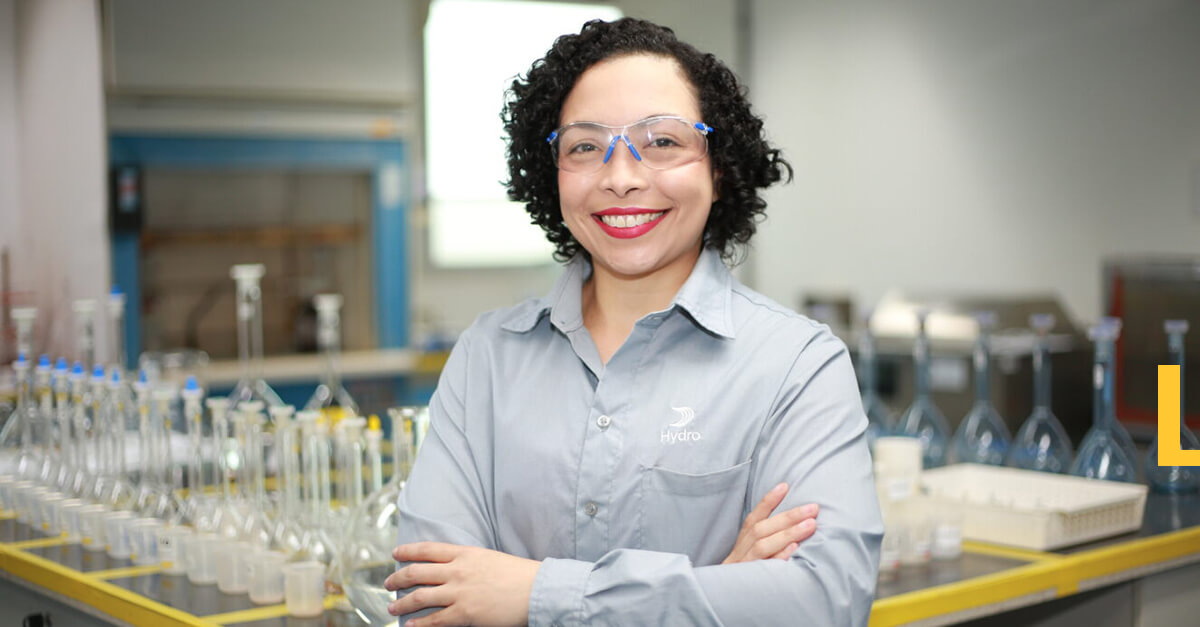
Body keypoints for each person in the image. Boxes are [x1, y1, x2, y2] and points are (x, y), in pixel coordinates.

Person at [385, 17, 882, 627]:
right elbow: (428, 602)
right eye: (585, 147)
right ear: (551, 171)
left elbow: (824, 602)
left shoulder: (797, 366)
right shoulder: (487, 356)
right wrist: (716, 589)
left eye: (663, 141)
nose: (621, 178)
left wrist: (532, 593)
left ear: (718, 168)